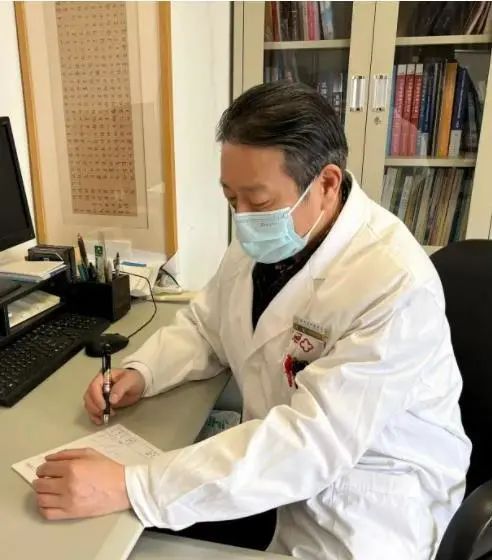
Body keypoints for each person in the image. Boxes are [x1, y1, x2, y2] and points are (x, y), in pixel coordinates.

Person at [33, 82, 471, 560]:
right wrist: (143, 372)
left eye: (257, 202)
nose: (242, 219)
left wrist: (131, 485)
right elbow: (208, 326)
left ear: (326, 184)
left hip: (365, 505)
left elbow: (312, 441)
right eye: (230, 199)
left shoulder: (394, 282)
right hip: (277, 470)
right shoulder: (270, 234)